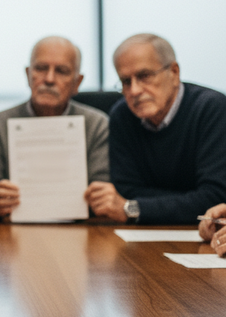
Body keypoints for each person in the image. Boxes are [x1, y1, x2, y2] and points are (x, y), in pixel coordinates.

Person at [85, 33, 226, 224]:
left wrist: (135, 208)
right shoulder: (122, 115)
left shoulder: (211, 109)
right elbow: (126, 189)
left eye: (144, 76)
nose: (134, 91)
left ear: (174, 73)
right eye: (126, 81)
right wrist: (188, 200)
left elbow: (214, 199)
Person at [0, 36, 110, 220]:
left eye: (61, 71)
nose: (49, 79)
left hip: (79, 231)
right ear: (28, 74)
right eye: (41, 68)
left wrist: (100, 197)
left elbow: (103, 188)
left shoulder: (97, 126)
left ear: (77, 82)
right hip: (10, 235)